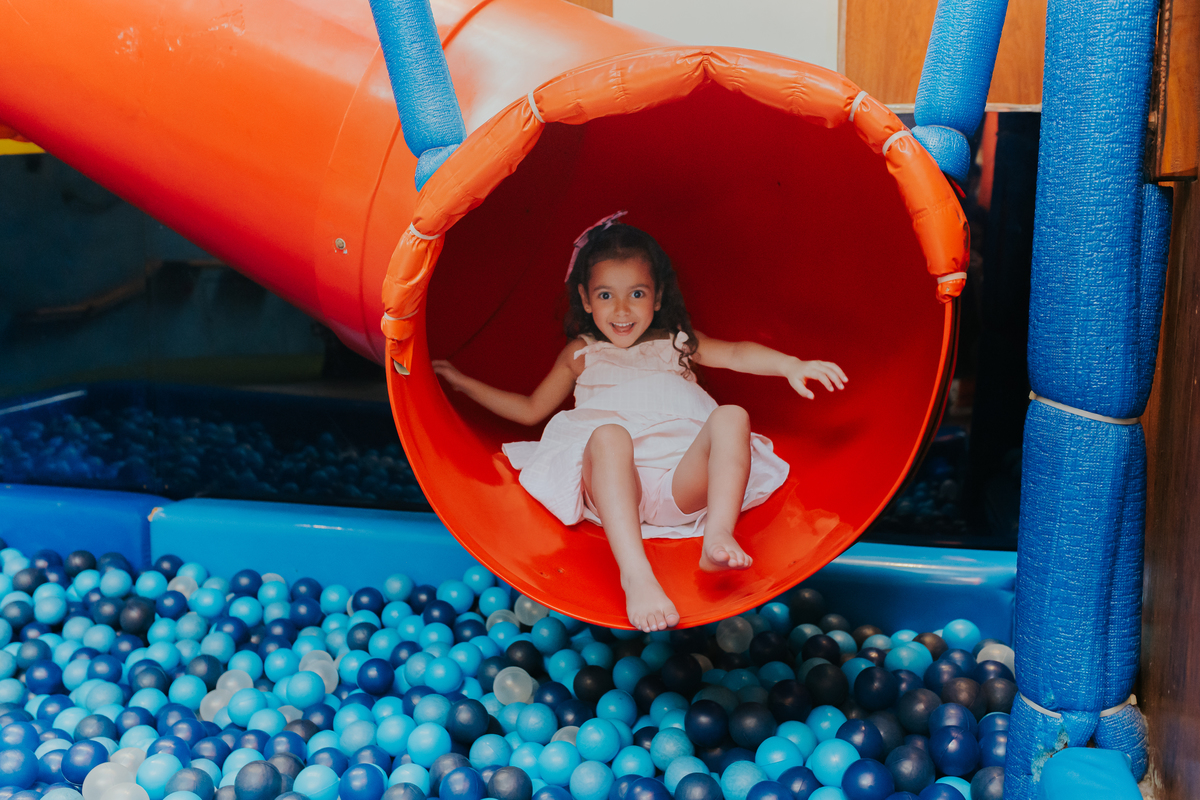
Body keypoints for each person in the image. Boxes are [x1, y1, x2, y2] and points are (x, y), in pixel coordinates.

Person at [432, 213, 847, 632]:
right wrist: (463, 384)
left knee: (732, 416)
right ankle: (636, 574)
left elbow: (738, 353)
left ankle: (717, 536)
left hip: (680, 484)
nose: (623, 309)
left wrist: (792, 364)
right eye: (606, 296)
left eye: (636, 293)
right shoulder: (582, 353)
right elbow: (529, 409)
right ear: (586, 298)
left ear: (658, 296)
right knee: (610, 435)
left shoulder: (678, 342)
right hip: (615, 491)